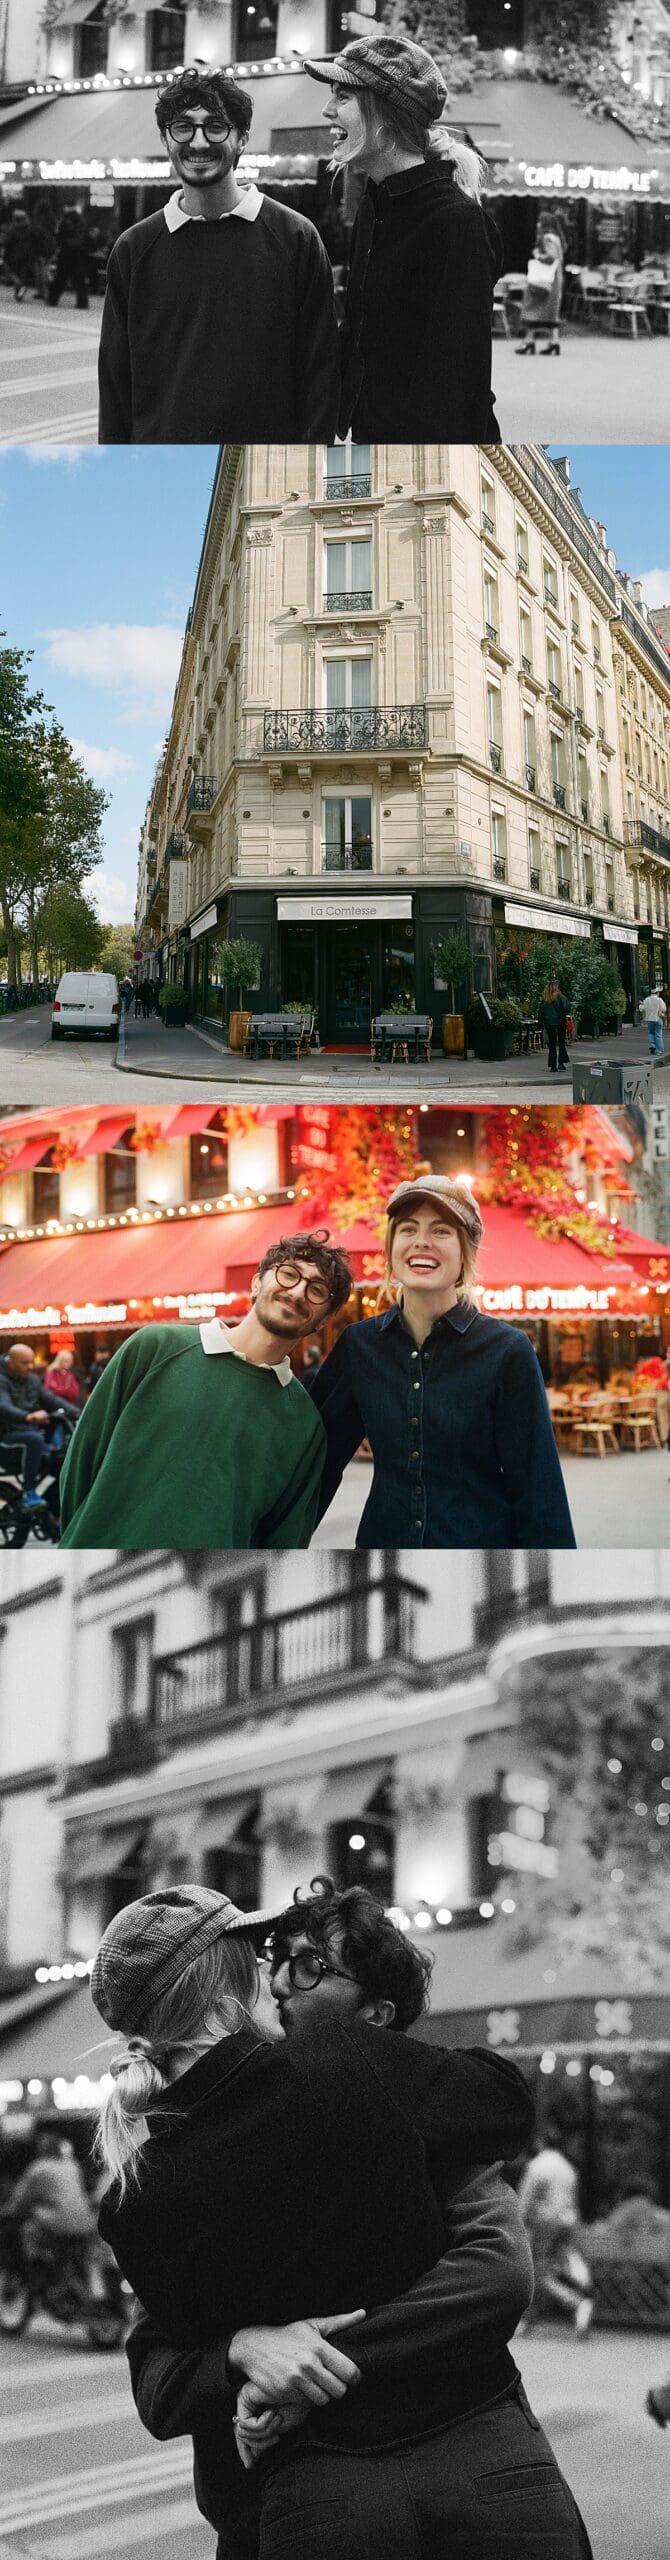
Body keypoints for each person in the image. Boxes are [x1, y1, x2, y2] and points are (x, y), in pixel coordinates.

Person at [93, 1884, 591, 2560]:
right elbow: (505, 2110)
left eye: (304, 1968)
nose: (275, 1979)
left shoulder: (135, 2198)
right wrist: (251, 2355)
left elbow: (162, 2369)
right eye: (263, 1960)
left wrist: (256, 2360)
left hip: (303, 2495)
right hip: (475, 2449)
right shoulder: (354, 2066)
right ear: (223, 1996)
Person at [307, 1176, 575, 1549]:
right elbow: (315, 1465)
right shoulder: (358, 1345)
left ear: (466, 1253)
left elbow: (537, 1489)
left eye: (441, 1230)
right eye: (408, 1229)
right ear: (391, 1248)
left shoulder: (508, 1350)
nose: (422, 1240)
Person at [59, 1232, 352, 1550]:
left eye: (317, 1290)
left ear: (322, 1321)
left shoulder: (305, 1427)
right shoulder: (154, 1347)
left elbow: (283, 1541)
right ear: (256, 1283)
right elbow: (80, 1465)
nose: (297, 1292)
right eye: (289, 1273)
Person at [98, 66, 339, 444]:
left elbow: (321, 378)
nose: (197, 142)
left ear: (242, 139)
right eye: (183, 127)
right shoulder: (132, 250)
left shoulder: (296, 238)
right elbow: (115, 389)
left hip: (267, 473)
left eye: (215, 126)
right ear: (165, 139)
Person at [306, 34, 501, 440]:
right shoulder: (375, 208)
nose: (327, 110)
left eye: (343, 96)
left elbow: (457, 388)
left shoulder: (455, 222)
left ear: (385, 111)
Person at [517, 2131, 593, 2336]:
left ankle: (576, 2302)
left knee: (539, 2272)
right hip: (567, 2222)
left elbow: (525, 2200)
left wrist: (519, 2224)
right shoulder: (567, 2167)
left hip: (545, 2223)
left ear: (540, 2143)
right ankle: (531, 2319)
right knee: (559, 2268)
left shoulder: (537, 2166)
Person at [0, 1342, 63, 1510]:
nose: (30, 1366)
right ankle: (29, 1492)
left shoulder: (33, 1380)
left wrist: (82, 1413)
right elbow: (3, 1405)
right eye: (24, 1363)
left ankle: (53, 1513)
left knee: (60, 1461)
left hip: (28, 1431)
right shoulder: (1, 1380)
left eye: (31, 1362)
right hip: (6, 1438)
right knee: (34, 1439)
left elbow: (52, 1399)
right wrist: (27, 1416)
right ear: (10, 1362)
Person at [516, 226, 564, 356]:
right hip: (553, 281)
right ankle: (554, 342)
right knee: (550, 315)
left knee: (532, 309)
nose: (537, 225)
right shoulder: (556, 238)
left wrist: (537, 255)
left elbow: (551, 257)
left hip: (544, 281)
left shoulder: (548, 238)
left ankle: (529, 341)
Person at [47, 201, 90, 310]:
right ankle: (82, 302)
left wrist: (62, 242)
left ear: (66, 207)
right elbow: (83, 236)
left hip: (66, 251)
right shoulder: (81, 220)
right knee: (79, 279)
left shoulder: (64, 220)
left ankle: (52, 299)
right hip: (78, 252)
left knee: (60, 277)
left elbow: (58, 234)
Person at [538, 979, 571, 1074]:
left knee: (552, 1044)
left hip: (549, 1023)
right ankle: (561, 1063)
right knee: (561, 1043)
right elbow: (566, 1008)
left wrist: (540, 1024)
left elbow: (540, 1012)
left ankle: (553, 1066)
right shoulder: (561, 997)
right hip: (560, 1022)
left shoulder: (545, 999)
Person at [639, 985, 666, 1058]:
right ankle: (659, 1051)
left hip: (649, 1019)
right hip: (657, 1018)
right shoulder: (659, 1000)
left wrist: (641, 1004)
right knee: (658, 1034)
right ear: (657, 993)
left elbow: (641, 1009)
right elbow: (663, 1009)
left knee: (651, 1033)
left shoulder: (646, 999)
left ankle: (653, 1045)